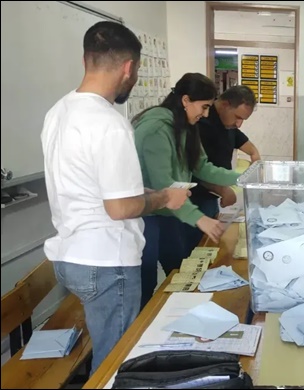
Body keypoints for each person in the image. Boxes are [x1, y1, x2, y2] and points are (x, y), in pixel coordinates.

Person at [40, 21, 189, 375]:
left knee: (106, 350)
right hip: (107, 262)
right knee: (114, 365)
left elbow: (93, 188)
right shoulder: (109, 123)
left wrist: (149, 194)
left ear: (85, 60)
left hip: (71, 254)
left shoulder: (58, 112)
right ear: (129, 68)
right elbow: (120, 207)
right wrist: (165, 198)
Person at [133, 73, 242, 308]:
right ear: (185, 100)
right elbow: (165, 187)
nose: (205, 114)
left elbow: (202, 167)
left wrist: (245, 177)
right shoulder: (156, 129)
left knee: (179, 271)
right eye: (203, 107)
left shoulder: (186, 125)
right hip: (146, 216)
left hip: (170, 214)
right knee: (145, 281)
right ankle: (136, 334)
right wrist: (200, 219)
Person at [185, 85, 259, 248]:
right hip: (193, 198)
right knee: (193, 249)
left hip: (211, 198)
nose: (238, 124)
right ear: (225, 104)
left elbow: (240, 139)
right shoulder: (201, 123)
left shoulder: (228, 123)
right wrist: (223, 189)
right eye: (237, 117)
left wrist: (254, 153)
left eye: (243, 120)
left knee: (210, 246)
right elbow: (196, 170)